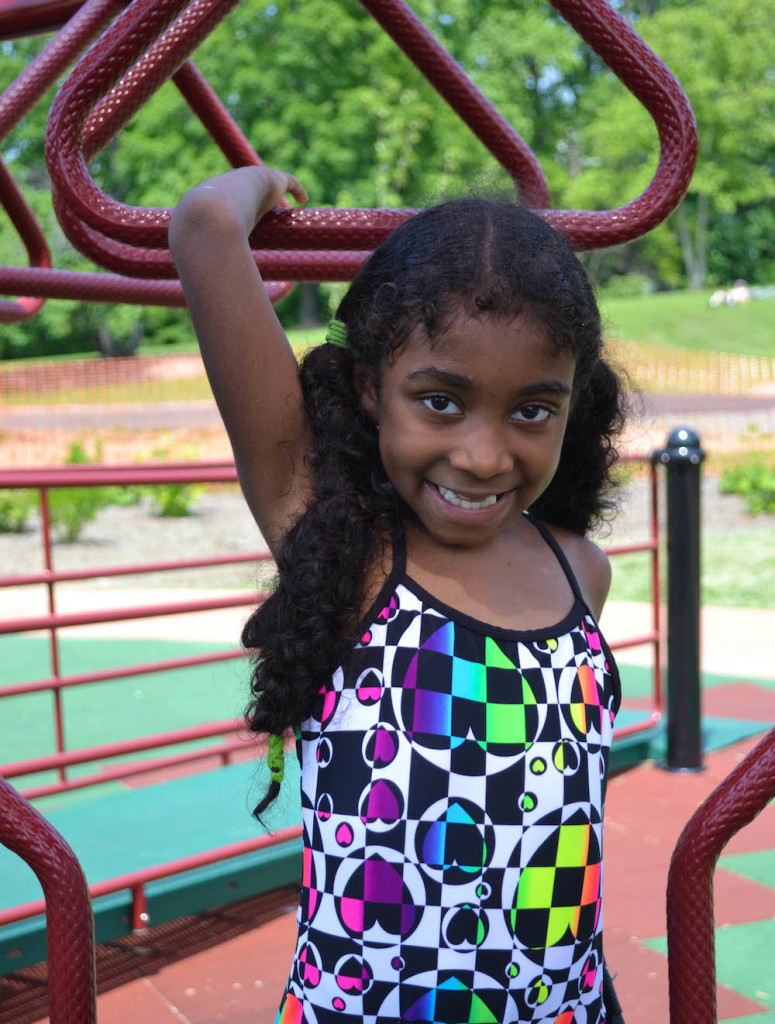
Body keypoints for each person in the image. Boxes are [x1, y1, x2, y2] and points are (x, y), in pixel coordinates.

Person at [169, 166, 627, 1024]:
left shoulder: (577, 569)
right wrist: (261, 187)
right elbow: (202, 226)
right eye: (441, 401)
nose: (484, 456)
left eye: (532, 410)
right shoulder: (353, 553)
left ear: (574, 406)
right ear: (367, 389)